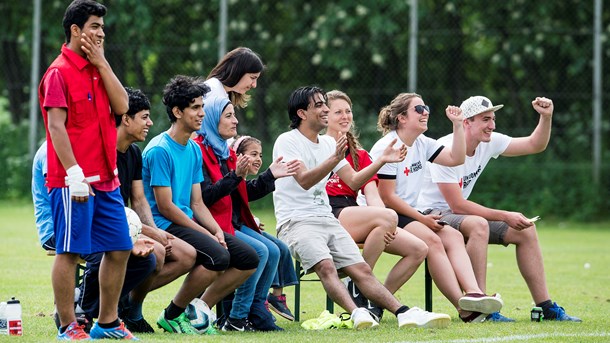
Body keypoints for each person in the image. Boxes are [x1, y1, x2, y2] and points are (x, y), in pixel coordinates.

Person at [273, 86, 450, 329]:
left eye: (327, 105)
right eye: (320, 105)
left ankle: (404, 313)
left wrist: (381, 160)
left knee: (363, 271)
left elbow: (354, 180)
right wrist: (333, 159)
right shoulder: (287, 141)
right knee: (326, 267)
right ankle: (358, 313)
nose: (325, 109)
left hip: (326, 219)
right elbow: (304, 181)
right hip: (296, 221)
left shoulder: (326, 144)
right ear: (302, 113)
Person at [416, 95, 582, 322]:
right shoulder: (446, 147)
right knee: (478, 224)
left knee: (526, 230)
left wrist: (546, 117)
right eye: (485, 119)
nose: (492, 126)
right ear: (466, 122)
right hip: (431, 214)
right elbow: (457, 204)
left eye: (493, 119)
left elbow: (535, 144)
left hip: (457, 215)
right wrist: (505, 215)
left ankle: (546, 307)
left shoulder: (489, 141)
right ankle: (482, 307)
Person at [38, 0, 135, 339]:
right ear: (76, 30)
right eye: (94, 26)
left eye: (102, 28)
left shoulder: (98, 68)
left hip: (107, 179)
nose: (101, 33)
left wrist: (103, 63)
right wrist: (74, 173)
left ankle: (106, 323)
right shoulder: (57, 73)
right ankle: (68, 326)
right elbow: (56, 127)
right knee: (70, 251)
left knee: (121, 247)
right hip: (73, 183)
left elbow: (123, 107)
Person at [371, 92, 504, 322]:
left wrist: (457, 126)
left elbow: (456, 158)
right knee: (431, 241)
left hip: (405, 213)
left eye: (427, 108)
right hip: (383, 214)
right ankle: (465, 310)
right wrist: (422, 219)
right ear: (402, 118)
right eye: (419, 109)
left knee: (450, 236)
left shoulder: (422, 143)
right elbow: (387, 197)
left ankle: (473, 294)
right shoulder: (388, 145)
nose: (426, 113)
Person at [142, 75, 259, 334]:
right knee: (218, 256)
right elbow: (166, 207)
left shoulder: (193, 149)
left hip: (186, 220)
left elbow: (196, 202)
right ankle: (172, 314)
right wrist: (205, 233)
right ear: (177, 111)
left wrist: (216, 230)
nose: (202, 113)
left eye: (202, 107)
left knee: (248, 258)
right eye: (195, 107)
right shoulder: (160, 149)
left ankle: (195, 311)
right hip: (165, 223)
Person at [193, 97, 299, 331]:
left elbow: (242, 193)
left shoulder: (223, 152)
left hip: (231, 222)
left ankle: (256, 307)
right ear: (212, 119)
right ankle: (238, 316)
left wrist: (269, 175)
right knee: (261, 251)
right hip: (210, 225)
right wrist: (236, 176)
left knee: (274, 249)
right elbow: (204, 199)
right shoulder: (200, 152)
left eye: (234, 115)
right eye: (229, 115)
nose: (236, 120)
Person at [324, 90, 429, 321]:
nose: (345, 116)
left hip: (352, 211)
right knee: (386, 218)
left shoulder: (360, 154)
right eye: (337, 112)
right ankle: (358, 282)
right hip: (327, 213)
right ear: (324, 116)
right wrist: (387, 219)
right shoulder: (317, 147)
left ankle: (373, 300)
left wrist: (388, 222)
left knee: (418, 249)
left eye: (348, 111)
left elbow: (373, 195)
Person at [32, 142, 157, 336]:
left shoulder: (87, 149)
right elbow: (68, 208)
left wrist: (126, 239)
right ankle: (80, 312)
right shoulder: (52, 151)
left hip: (88, 225)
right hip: (56, 230)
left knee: (146, 260)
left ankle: (102, 314)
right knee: (103, 256)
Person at [114, 87, 201, 333]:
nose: (150, 123)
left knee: (185, 255)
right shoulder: (105, 152)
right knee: (158, 253)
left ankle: (129, 308)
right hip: (108, 225)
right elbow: (109, 208)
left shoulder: (134, 153)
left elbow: (139, 200)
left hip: (128, 223)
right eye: (144, 117)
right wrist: (152, 234)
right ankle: (119, 307)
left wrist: (152, 231)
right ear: (126, 118)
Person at [231, 136, 300, 322]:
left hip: (240, 225)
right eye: (253, 154)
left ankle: (266, 300)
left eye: (260, 155)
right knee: (265, 250)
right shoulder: (229, 176)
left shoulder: (239, 179)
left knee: (279, 248)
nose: (259, 159)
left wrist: (270, 175)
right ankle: (246, 310)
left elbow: (248, 192)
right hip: (229, 228)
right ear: (237, 156)